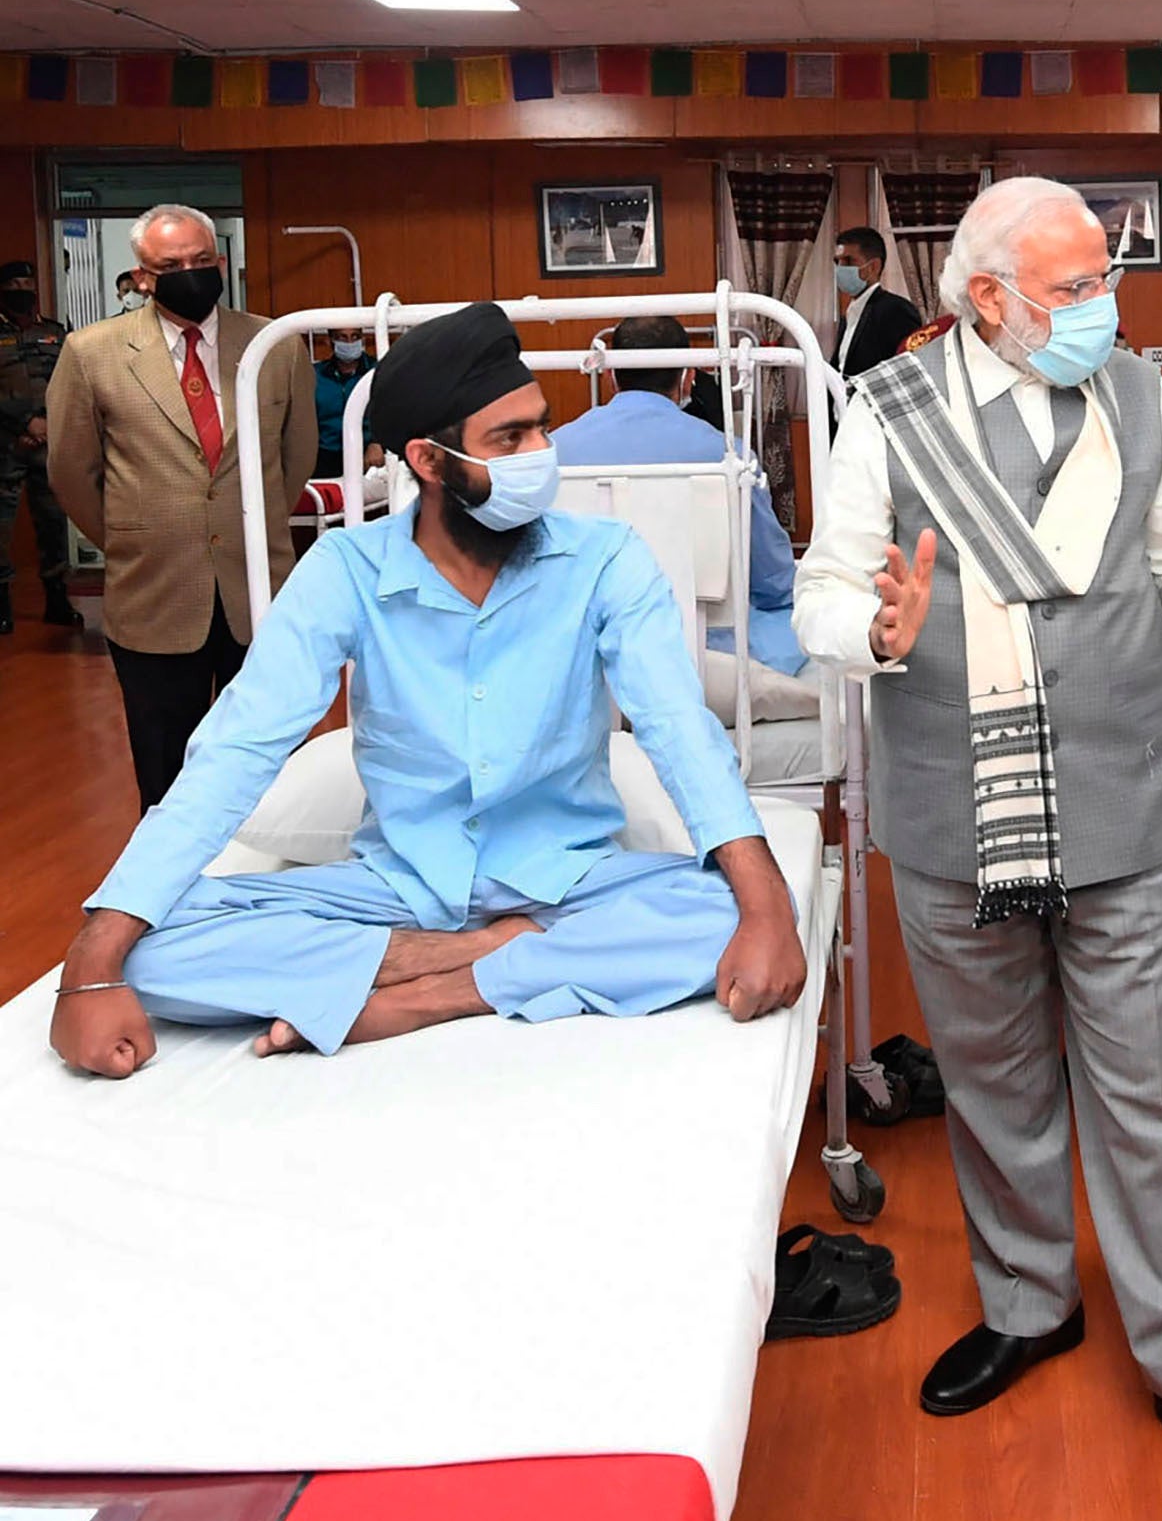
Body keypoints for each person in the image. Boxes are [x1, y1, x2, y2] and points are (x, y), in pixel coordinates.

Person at [794, 176, 1162, 1521]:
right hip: (953, 808)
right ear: (987, 300)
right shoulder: (885, 415)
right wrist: (879, 635)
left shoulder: (1139, 395)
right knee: (993, 1077)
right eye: (1075, 289)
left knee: (1150, 1088)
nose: (1103, 308)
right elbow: (828, 593)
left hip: (1127, 790)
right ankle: (1030, 1306)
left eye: (1104, 280)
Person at [46, 301, 809, 1081]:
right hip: (400, 889)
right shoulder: (348, 571)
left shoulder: (605, 559)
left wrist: (767, 909)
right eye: (509, 439)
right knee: (150, 944)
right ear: (429, 460)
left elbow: (678, 729)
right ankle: (479, 957)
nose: (541, 455)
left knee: (731, 909)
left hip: (568, 882)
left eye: (541, 427)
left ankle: (432, 995)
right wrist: (92, 967)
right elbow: (237, 751)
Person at [45, 204, 312, 808]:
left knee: (276, 773)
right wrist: (131, 537)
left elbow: (293, 459)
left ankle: (277, 890)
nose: (190, 273)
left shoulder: (275, 344)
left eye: (201, 261)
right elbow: (71, 471)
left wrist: (253, 522)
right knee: (165, 772)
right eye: (171, 266)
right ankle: (175, 894)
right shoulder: (91, 354)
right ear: (142, 276)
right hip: (154, 594)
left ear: (220, 261)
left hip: (260, 592)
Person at [554, 314, 808, 681]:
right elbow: (772, 580)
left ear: (610, 376)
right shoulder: (729, 457)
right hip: (709, 652)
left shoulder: (556, 450)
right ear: (689, 377)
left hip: (584, 649)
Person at [0, 258, 79, 634]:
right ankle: (1, 601)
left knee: (52, 520)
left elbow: (71, 382)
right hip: (5, 444)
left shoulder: (56, 333)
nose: (22, 292)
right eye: (13, 286)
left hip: (48, 442)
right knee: (1, 525)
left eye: (26, 285)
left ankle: (57, 597)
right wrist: (23, 422)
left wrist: (46, 422)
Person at [832, 226, 922, 385]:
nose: (840, 269)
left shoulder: (896, 311)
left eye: (848, 261)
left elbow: (907, 375)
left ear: (873, 267)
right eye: (837, 262)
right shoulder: (850, 313)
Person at [312, 324, 374, 462]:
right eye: (342, 337)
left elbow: (392, 412)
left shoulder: (377, 371)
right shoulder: (315, 375)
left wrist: (378, 443)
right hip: (325, 454)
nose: (350, 343)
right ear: (330, 341)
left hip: (368, 453)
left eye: (355, 337)